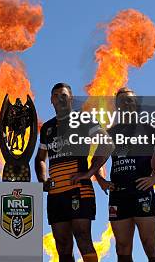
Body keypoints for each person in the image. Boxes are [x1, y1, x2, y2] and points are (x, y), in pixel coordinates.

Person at [35, 82, 114, 262]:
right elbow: (40, 158)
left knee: (82, 238)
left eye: (64, 95)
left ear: (71, 98)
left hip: (79, 190)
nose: (60, 99)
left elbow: (107, 144)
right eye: (56, 96)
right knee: (62, 245)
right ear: (51, 101)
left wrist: (90, 172)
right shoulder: (47, 128)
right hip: (55, 194)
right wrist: (43, 179)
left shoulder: (84, 119)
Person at [103, 87, 155, 262]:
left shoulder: (149, 128)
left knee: (150, 245)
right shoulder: (111, 132)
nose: (126, 104)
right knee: (122, 249)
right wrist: (101, 179)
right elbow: (97, 160)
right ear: (117, 106)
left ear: (137, 104)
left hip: (142, 193)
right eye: (121, 101)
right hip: (118, 196)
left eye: (130, 100)